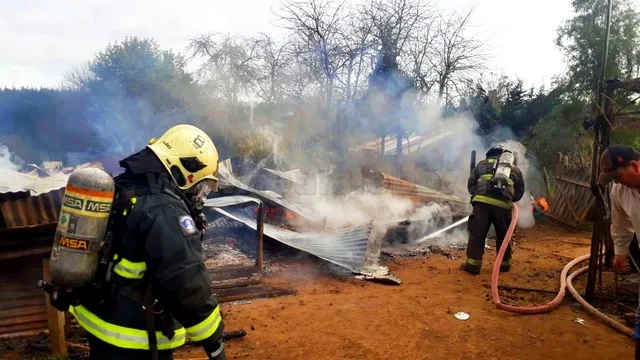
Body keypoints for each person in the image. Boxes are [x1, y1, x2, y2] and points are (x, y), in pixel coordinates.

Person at [68, 124, 226, 360]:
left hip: (99, 319)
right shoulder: (164, 210)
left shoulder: (125, 186)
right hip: (135, 335)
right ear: (184, 171)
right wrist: (214, 342)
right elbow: (186, 282)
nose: (199, 194)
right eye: (199, 184)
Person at [596, 144, 640, 357]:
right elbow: (621, 223)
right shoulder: (620, 190)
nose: (615, 182)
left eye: (617, 176)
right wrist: (620, 252)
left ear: (635, 167)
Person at [462, 145, 525, 275]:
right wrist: (507, 199)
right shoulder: (514, 169)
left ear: (489, 154)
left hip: (482, 205)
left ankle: (473, 265)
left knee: (477, 234)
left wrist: (479, 195)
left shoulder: (481, 164)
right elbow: (519, 193)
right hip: (503, 206)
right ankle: (504, 264)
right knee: (504, 235)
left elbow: (471, 186)